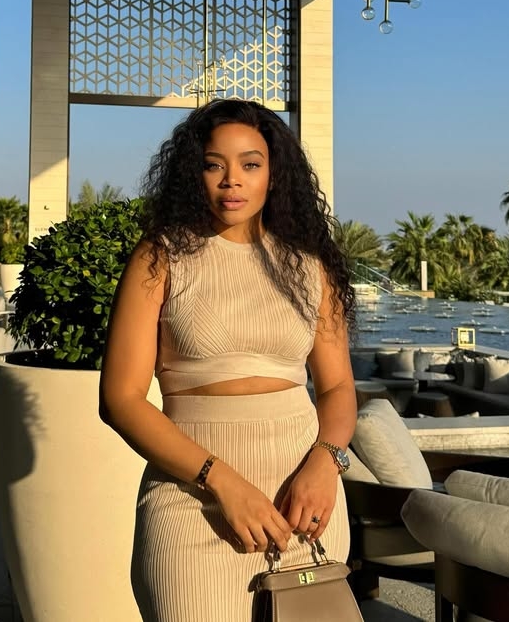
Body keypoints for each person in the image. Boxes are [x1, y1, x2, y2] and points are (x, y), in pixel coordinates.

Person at [99, 98, 357, 622]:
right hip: (192, 502)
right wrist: (223, 482)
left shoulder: (310, 266)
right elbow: (120, 400)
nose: (232, 180)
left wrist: (325, 462)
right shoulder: (161, 257)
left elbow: (337, 389)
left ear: (274, 173)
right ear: (193, 173)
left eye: (250, 164)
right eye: (214, 164)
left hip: (302, 504)